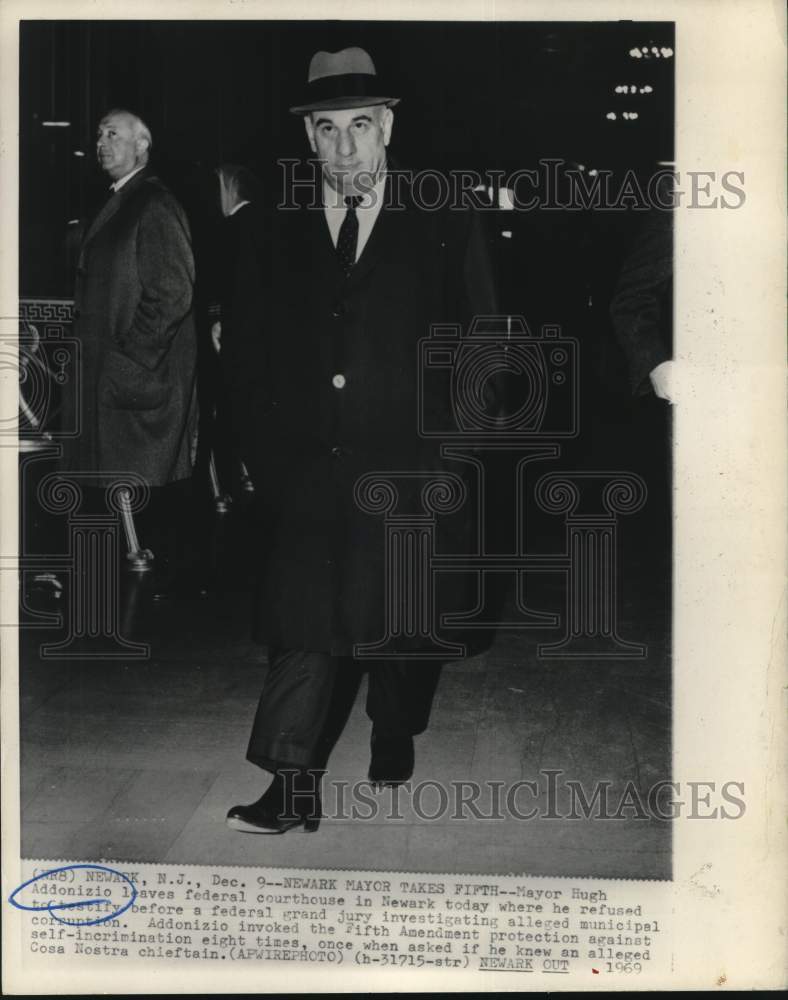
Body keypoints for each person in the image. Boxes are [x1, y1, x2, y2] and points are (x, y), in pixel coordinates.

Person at [224, 47, 497, 834]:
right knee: (303, 623)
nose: (344, 147)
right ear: (309, 137)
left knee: (399, 622)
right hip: (308, 466)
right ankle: (291, 784)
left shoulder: (444, 216)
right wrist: (263, 453)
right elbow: (245, 349)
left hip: (410, 462)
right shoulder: (271, 226)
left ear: (387, 129)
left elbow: (486, 341)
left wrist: (454, 454)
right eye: (327, 129)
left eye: (360, 127)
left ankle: (395, 723)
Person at [62, 109, 199, 594]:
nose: (102, 142)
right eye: (99, 134)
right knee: (117, 500)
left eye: (113, 134)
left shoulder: (154, 203)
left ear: (142, 145)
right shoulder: (124, 200)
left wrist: (131, 357)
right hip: (115, 375)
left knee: (137, 502)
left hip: (134, 374)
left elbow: (173, 292)